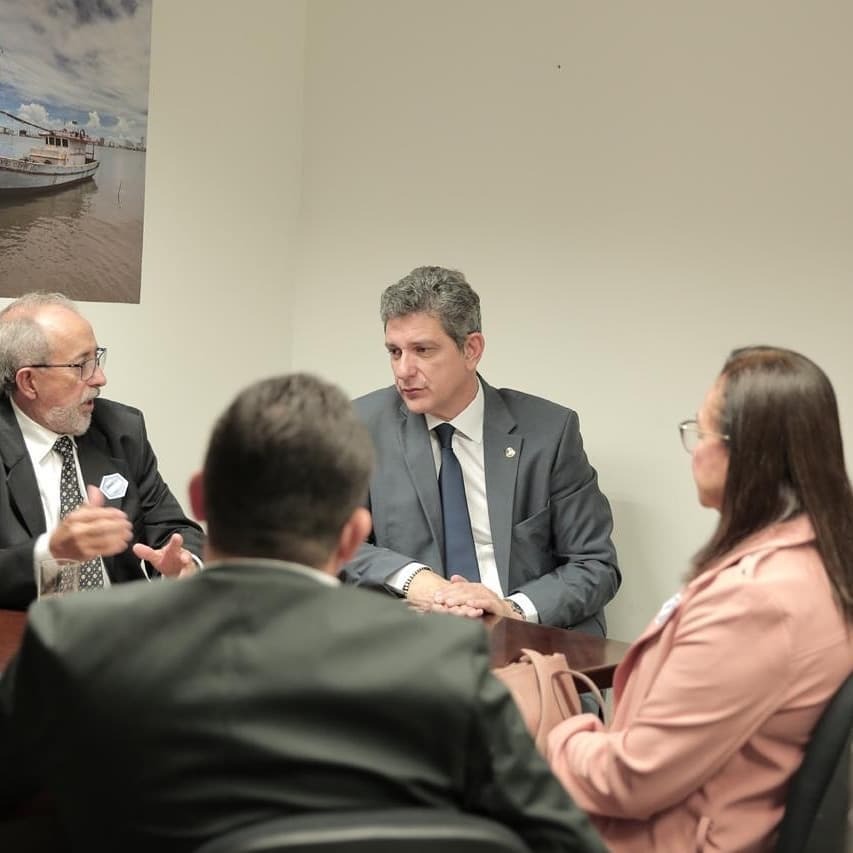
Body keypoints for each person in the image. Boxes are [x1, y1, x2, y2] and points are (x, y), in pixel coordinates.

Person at [0, 373, 606, 853]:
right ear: (352, 538)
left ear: (203, 496)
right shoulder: (443, 657)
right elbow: (559, 838)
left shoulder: (75, 637)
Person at [546, 346, 853, 852]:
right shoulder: (820, 558)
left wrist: (555, 734)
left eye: (703, 431)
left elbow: (633, 779)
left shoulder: (756, 601)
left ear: (749, 453)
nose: (693, 448)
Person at [343, 265, 619, 632]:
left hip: (525, 642)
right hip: (414, 644)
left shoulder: (549, 432)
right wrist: (416, 580)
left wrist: (511, 609)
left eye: (423, 350)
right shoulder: (362, 425)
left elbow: (594, 565)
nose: (403, 370)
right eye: (395, 352)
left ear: (471, 349)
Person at [0, 292, 203, 608]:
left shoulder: (120, 429)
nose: (100, 378)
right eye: (81, 365)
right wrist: (52, 553)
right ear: (29, 382)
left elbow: (172, 528)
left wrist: (184, 563)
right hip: (26, 636)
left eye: (97, 358)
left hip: (120, 631)